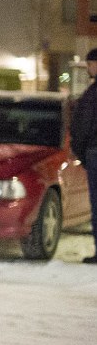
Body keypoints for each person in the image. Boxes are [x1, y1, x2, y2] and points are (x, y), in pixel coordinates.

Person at [70, 47, 97, 264]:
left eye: (90, 64)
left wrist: (81, 151)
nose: (89, 68)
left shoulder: (93, 93)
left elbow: (83, 125)